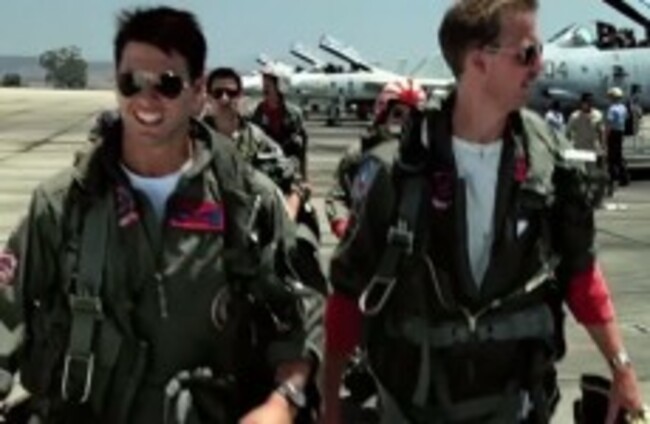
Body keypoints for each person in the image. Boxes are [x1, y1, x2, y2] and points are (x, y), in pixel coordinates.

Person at [323, 1, 644, 423]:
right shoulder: (396, 172)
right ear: (479, 61)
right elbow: (348, 291)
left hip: (516, 405)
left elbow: (581, 274)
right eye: (527, 53)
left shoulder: (549, 164)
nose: (539, 66)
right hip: (416, 407)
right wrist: (330, 404)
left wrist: (621, 366)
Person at [7, 7, 320, 423]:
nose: (146, 98)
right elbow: (5, 310)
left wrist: (282, 401)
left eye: (167, 84)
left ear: (198, 92)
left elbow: (300, 316)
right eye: (131, 82)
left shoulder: (249, 201)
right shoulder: (64, 204)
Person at [325, 79, 427, 239]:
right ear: (383, 114)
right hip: (367, 238)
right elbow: (337, 194)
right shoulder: (360, 154)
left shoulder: (427, 159)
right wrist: (341, 224)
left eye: (412, 117)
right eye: (397, 114)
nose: (403, 123)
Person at [250, 66, 309, 178]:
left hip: (289, 170)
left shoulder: (294, 115)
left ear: (280, 86)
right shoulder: (255, 113)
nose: (264, 88)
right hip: (263, 171)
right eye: (264, 84)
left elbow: (302, 149)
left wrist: (304, 178)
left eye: (269, 84)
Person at [605, 86, 630, 193]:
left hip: (613, 133)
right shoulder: (623, 108)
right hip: (621, 132)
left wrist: (606, 135)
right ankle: (624, 177)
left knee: (611, 157)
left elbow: (609, 123)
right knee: (619, 155)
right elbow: (626, 118)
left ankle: (613, 178)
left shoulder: (612, 109)